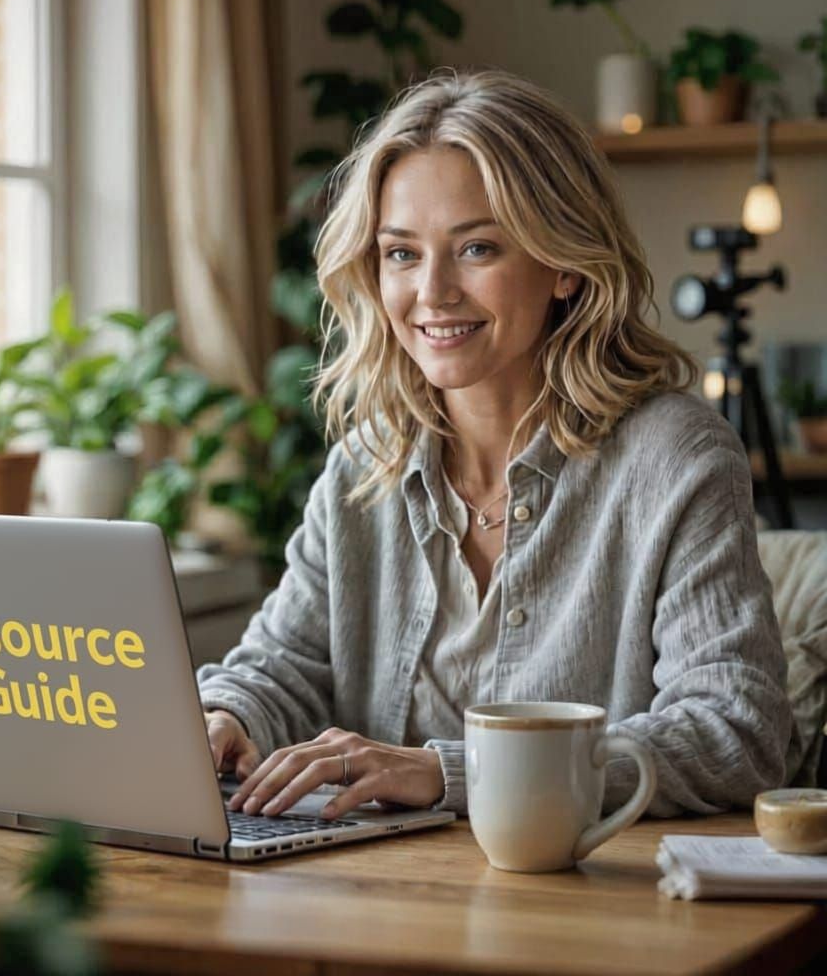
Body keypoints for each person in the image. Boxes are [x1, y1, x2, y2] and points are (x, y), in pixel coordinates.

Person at [196, 69, 793, 823]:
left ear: (564, 265)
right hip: (372, 883)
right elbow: (284, 664)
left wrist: (448, 773)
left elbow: (736, 734)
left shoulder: (676, 458)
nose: (432, 292)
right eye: (401, 253)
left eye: (477, 248)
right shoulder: (365, 463)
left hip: (586, 891)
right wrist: (226, 716)